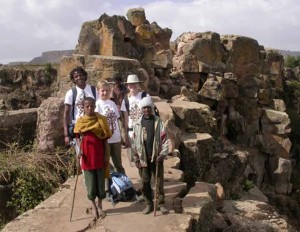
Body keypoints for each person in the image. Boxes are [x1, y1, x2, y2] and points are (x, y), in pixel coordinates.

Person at [73, 97, 112, 218]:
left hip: (99, 154)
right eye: (87, 106)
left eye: (92, 106)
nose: (90, 108)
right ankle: (93, 206)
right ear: (83, 108)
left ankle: (100, 205)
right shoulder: (80, 121)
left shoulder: (101, 120)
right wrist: (79, 150)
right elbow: (77, 137)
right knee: (90, 183)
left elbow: (105, 139)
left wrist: (106, 155)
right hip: (87, 156)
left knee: (100, 182)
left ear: (95, 106)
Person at [132, 96, 169, 215]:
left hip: (156, 157)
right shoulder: (137, 124)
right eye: (144, 108)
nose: (146, 110)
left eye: (148, 107)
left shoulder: (158, 122)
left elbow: (164, 138)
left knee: (158, 182)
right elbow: (135, 142)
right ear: (141, 109)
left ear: (152, 108)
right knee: (145, 182)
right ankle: (149, 204)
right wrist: (136, 158)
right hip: (143, 159)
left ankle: (161, 204)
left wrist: (163, 154)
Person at [95, 80, 126, 174]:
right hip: (105, 139)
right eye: (102, 90)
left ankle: (123, 184)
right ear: (98, 91)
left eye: (107, 91)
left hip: (116, 138)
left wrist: (122, 135)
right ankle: (109, 184)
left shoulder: (112, 103)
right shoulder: (97, 105)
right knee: (106, 163)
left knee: (118, 163)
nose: (105, 93)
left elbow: (117, 119)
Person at [63, 67, 98, 149]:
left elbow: (99, 107)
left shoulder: (94, 90)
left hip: (93, 127)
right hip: (79, 128)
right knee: (80, 154)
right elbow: (66, 114)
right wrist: (66, 135)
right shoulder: (71, 93)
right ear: (73, 80)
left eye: (81, 75)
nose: (79, 77)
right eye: (76, 76)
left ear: (85, 76)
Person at [120, 74, 150, 153]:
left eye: (134, 83)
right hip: (132, 130)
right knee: (135, 154)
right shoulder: (126, 100)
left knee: (145, 152)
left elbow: (151, 112)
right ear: (127, 86)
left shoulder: (145, 96)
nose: (132, 86)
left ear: (138, 84)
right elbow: (126, 118)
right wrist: (126, 133)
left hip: (144, 128)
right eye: (130, 84)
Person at [109, 73, 128, 147]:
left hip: (124, 108)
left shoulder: (123, 88)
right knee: (120, 126)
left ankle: (124, 141)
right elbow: (112, 100)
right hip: (117, 110)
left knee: (124, 125)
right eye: (116, 82)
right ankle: (123, 141)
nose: (117, 83)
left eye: (118, 81)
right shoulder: (113, 90)